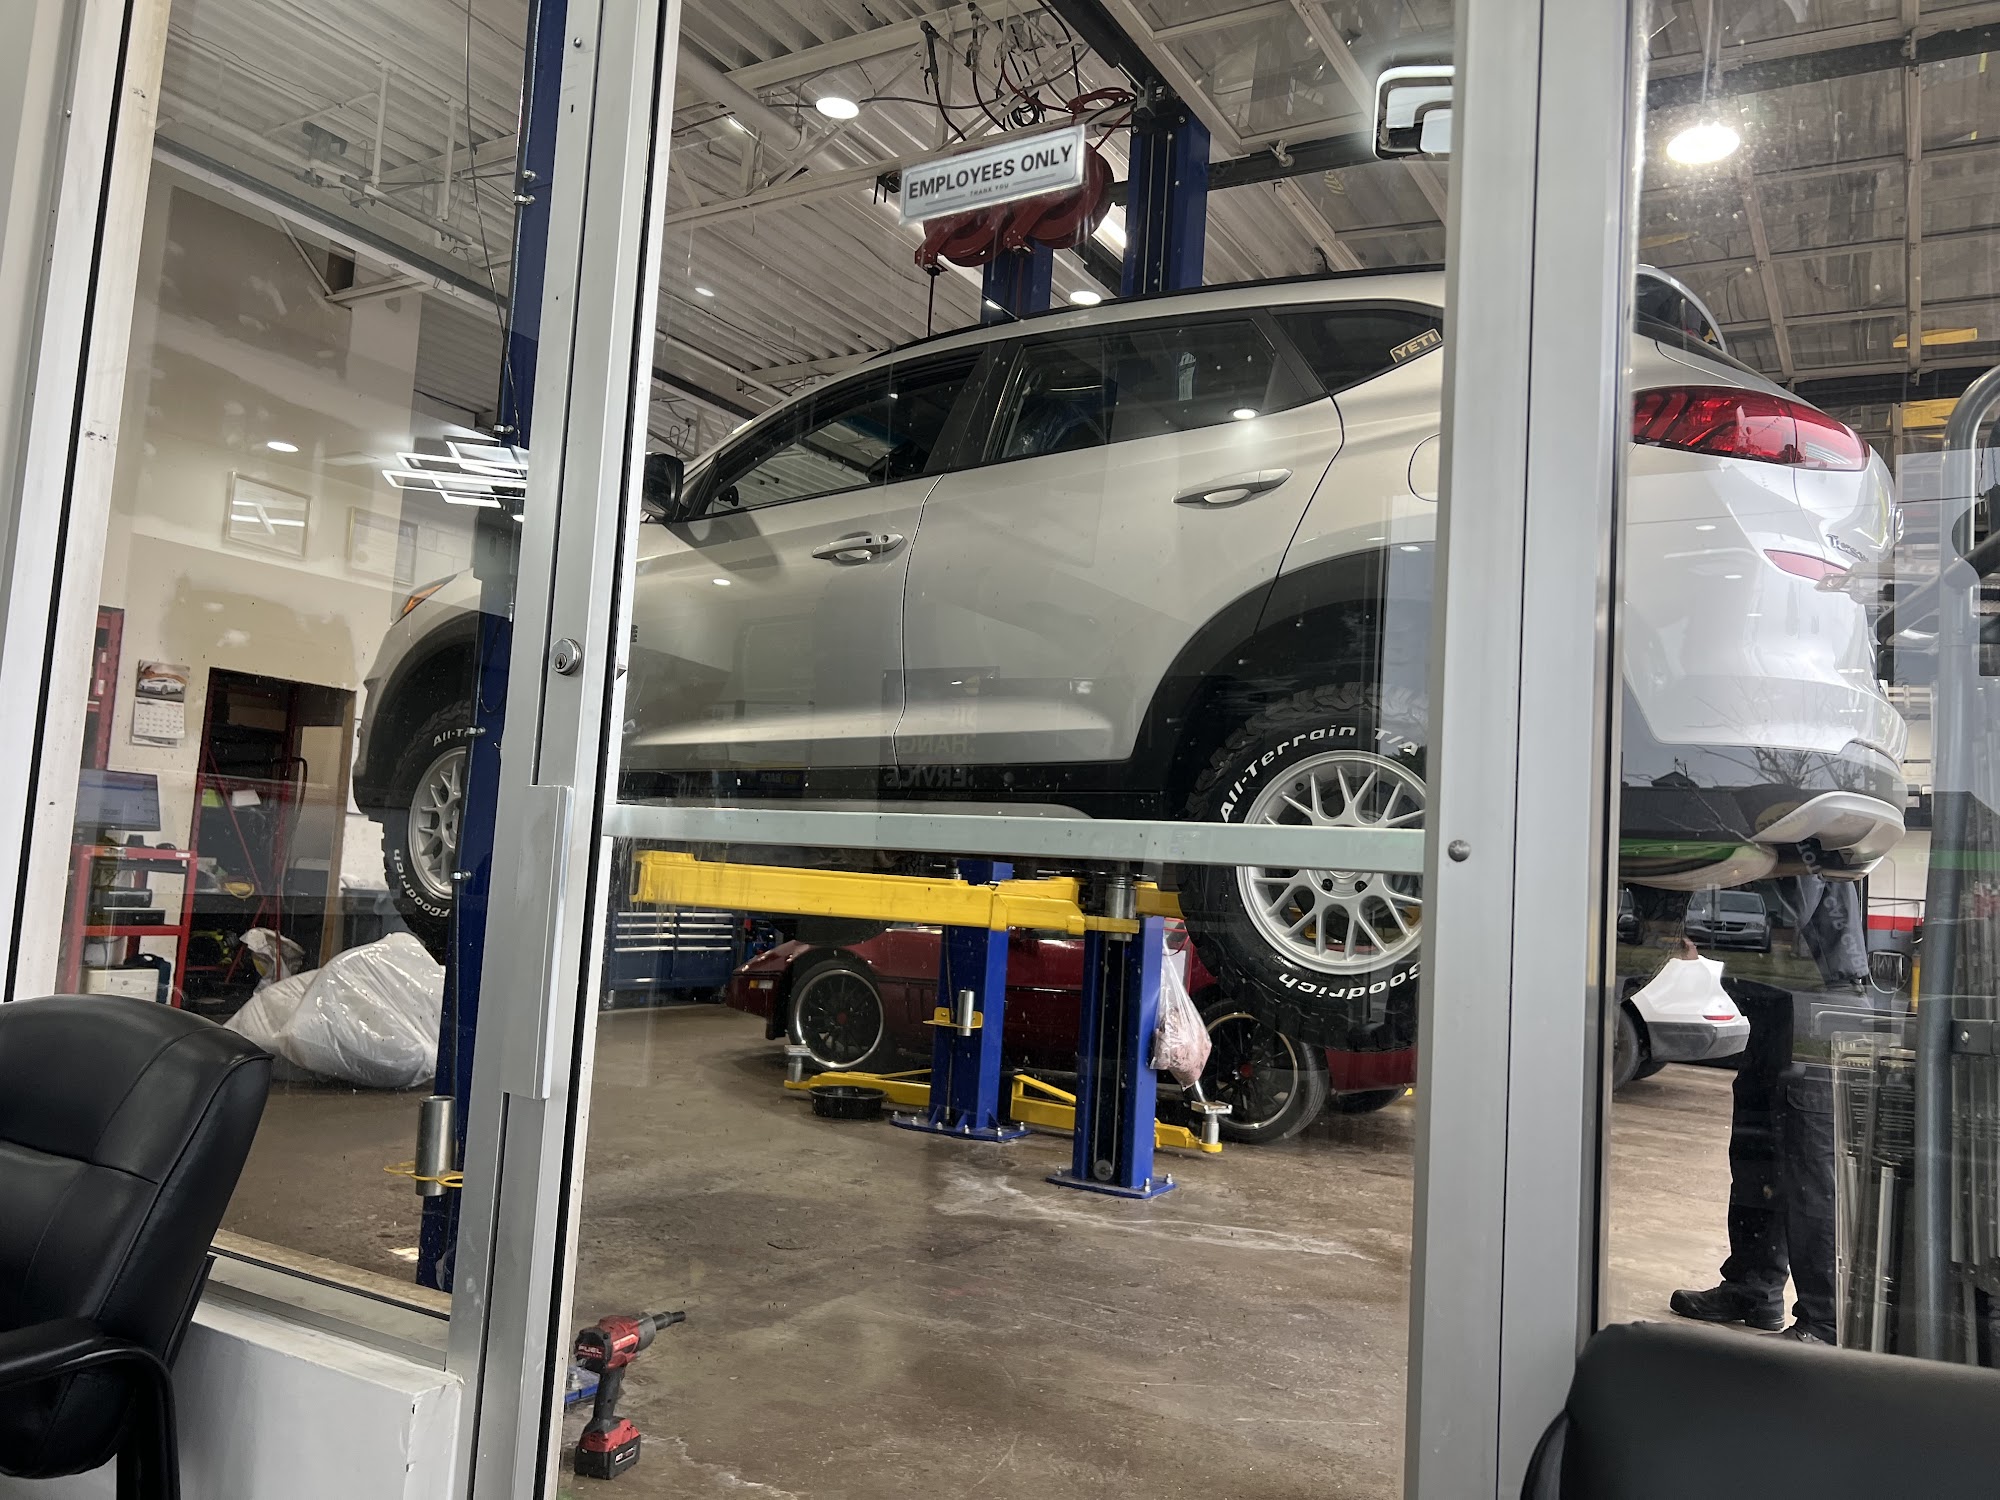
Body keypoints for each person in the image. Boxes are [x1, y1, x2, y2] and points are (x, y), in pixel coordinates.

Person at [1670, 870, 1867, 1346]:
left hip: (1817, 1011)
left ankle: (1823, 1323)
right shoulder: (1772, 844)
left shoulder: (1802, 841)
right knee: (1756, 1157)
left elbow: (1788, 910)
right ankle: (1752, 1289)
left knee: (1809, 1175)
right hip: (1774, 1011)